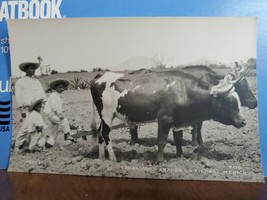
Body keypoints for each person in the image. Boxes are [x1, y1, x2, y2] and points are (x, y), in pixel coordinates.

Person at [44, 78, 75, 147]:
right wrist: (59, 115)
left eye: (63, 87)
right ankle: (67, 137)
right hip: (51, 114)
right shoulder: (54, 95)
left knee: (55, 128)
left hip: (53, 114)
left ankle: (49, 143)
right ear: (55, 88)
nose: (61, 89)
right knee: (64, 121)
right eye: (59, 87)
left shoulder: (58, 95)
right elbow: (54, 106)